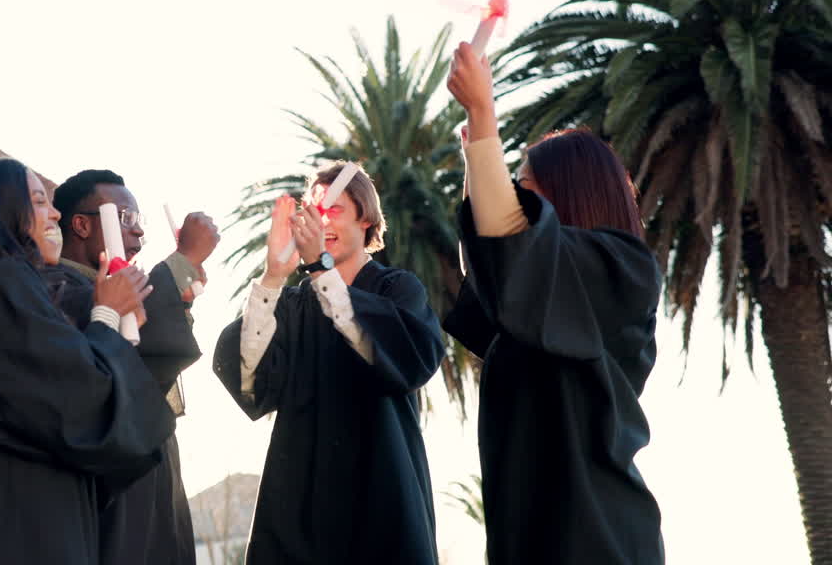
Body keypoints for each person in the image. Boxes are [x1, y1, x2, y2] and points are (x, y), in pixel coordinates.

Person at [0, 159, 176, 565]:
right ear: (1, 214)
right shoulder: (0, 283)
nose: (54, 212)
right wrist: (107, 315)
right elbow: (80, 403)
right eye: (38, 201)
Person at [444, 42, 664, 565]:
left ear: (566, 194)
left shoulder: (622, 271)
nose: (513, 197)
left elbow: (513, 243)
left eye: (524, 187)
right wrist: (478, 151)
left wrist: (483, 117)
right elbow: (494, 262)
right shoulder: (530, 297)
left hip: (596, 535)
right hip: (528, 535)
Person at [213, 161, 445, 565]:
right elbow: (251, 378)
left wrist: (322, 270)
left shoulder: (397, 289)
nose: (321, 220)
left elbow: (409, 360)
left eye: (335, 208)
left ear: (367, 218)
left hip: (382, 495)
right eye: (314, 209)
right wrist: (272, 277)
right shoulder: (292, 305)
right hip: (301, 507)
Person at [47, 169, 218, 565]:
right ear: (82, 225)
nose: (139, 234)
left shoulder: (112, 293)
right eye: (126, 219)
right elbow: (109, 374)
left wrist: (182, 299)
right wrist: (182, 263)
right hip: (108, 498)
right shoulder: (58, 290)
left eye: (140, 222)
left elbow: (152, 370)